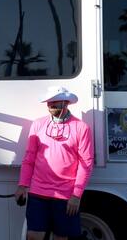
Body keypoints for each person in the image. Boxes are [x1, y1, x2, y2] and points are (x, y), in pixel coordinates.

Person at [15, 86, 94, 240]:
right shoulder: (38, 124)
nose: (50, 105)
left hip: (65, 196)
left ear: (66, 103)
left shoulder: (81, 128)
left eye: (55, 101)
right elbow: (29, 158)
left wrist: (76, 196)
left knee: (60, 237)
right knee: (33, 236)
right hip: (38, 192)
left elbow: (86, 163)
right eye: (49, 101)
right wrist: (22, 185)